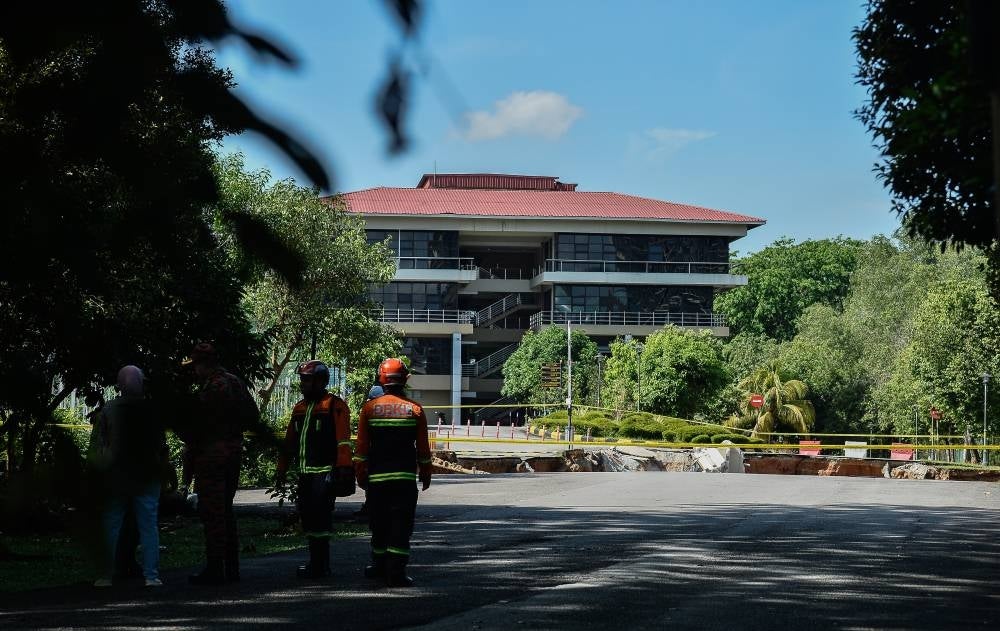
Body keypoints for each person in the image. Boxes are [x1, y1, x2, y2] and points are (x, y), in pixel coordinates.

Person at [354, 358, 432, 587]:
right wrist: (425, 474)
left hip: (377, 480)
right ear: (405, 379)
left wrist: (360, 474)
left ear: (382, 379)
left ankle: (379, 566)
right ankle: (396, 572)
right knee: (400, 525)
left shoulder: (369, 409)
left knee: (379, 523)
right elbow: (423, 450)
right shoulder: (415, 410)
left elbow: (361, 449)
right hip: (404, 480)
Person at [181, 342, 252, 585]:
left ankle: (215, 568)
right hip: (233, 453)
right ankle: (232, 567)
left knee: (212, 512)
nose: (193, 371)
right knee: (226, 510)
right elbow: (253, 414)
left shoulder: (211, 388)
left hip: (211, 456)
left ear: (203, 364)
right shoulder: (235, 382)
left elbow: (195, 428)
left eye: (195, 366)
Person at [275, 360, 353, 578]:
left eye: (307, 380)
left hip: (324, 474)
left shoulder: (334, 405)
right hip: (304, 475)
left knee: (321, 520)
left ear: (320, 381)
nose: (303, 384)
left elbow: (343, 441)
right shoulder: (299, 408)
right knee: (308, 518)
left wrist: (343, 469)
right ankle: (315, 563)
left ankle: (321, 565)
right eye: (302, 379)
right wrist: (281, 468)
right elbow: (289, 443)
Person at [90, 365, 166, 588]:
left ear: (119, 385)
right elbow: (161, 445)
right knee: (148, 525)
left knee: (111, 523)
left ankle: (105, 574)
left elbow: (98, 445)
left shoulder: (108, 409)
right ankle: (151, 575)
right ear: (141, 383)